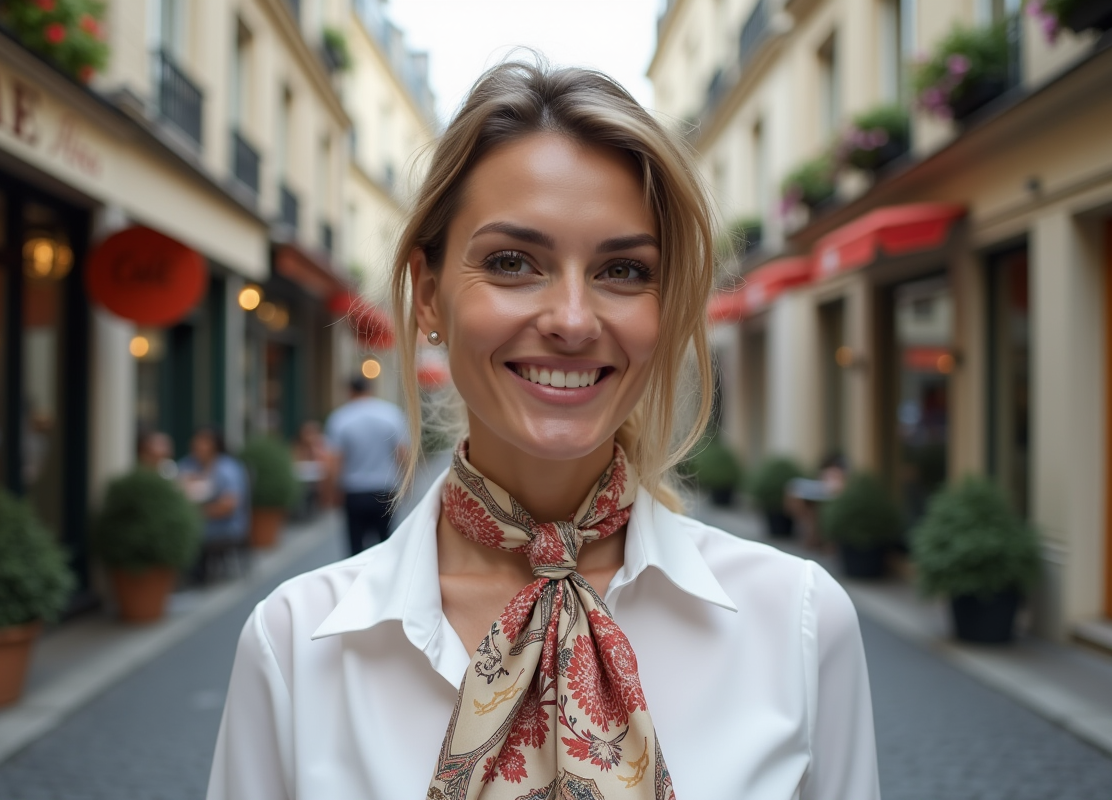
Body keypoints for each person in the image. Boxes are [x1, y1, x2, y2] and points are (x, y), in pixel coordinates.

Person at [208, 60, 879, 800]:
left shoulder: (799, 624)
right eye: (512, 262)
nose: (570, 319)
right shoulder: (296, 645)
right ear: (428, 297)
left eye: (623, 270)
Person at [322, 375, 410, 555]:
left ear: (350, 391)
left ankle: (356, 581)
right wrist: (406, 485)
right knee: (386, 545)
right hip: (385, 489)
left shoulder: (340, 418)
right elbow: (402, 454)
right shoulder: (391, 414)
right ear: (370, 389)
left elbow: (334, 461)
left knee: (355, 548)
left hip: (354, 491)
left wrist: (329, 491)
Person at [178, 426, 250, 582]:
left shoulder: (227, 468)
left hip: (224, 525)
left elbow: (229, 505)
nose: (198, 445)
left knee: (183, 531)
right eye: (196, 441)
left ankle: (194, 575)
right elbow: (177, 484)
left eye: (204, 442)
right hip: (198, 517)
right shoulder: (189, 463)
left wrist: (195, 515)